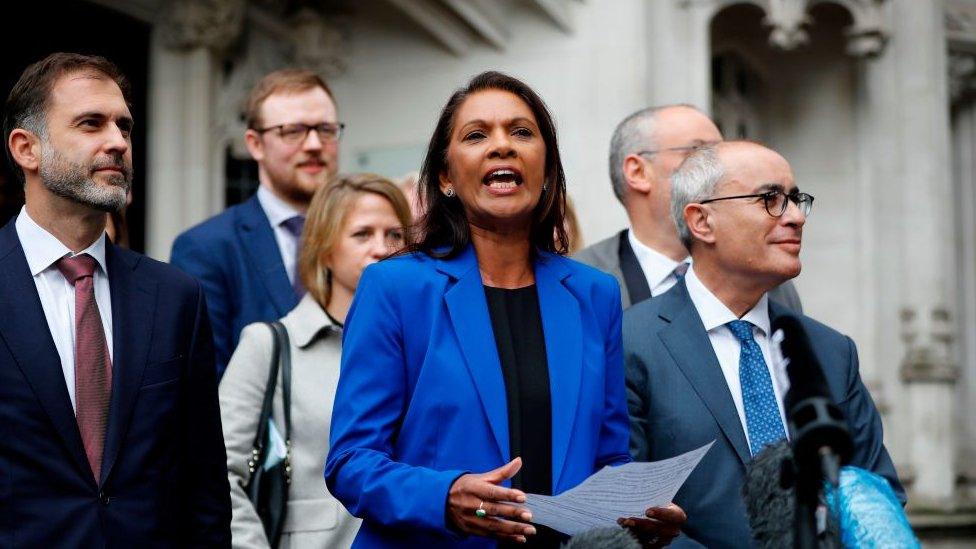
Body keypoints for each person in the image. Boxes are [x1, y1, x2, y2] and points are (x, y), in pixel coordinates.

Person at [325, 71, 685, 548]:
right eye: (476, 135)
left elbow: (609, 457)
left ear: (547, 170)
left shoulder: (594, 294)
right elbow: (351, 461)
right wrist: (443, 495)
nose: (502, 146)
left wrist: (640, 511)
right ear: (446, 177)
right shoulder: (395, 288)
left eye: (521, 132)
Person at [623, 141, 903, 547]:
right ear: (702, 221)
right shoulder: (631, 342)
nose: (795, 218)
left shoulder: (829, 351)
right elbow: (626, 513)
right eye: (770, 198)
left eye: (795, 199)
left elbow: (879, 496)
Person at [0, 52, 230, 546]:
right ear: (26, 149)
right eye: (91, 124)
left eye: (124, 126)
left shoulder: (175, 298)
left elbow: (204, 483)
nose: (118, 142)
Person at [221, 173, 410, 548]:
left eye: (395, 235)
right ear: (324, 248)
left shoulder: (418, 347)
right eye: (362, 234)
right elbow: (219, 473)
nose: (381, 248)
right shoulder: (269, 343)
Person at [171, 69, 342, 376]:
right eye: (293, 131)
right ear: (255, 144)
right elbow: (207, 383)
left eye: (326, 129)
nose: (315, 143)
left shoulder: (372, 239)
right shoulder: (207, 249)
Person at [575, 105, 802, 311]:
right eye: (700, 153)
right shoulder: (578, 280)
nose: (721, 168)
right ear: (638, 172)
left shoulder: (767, 281)